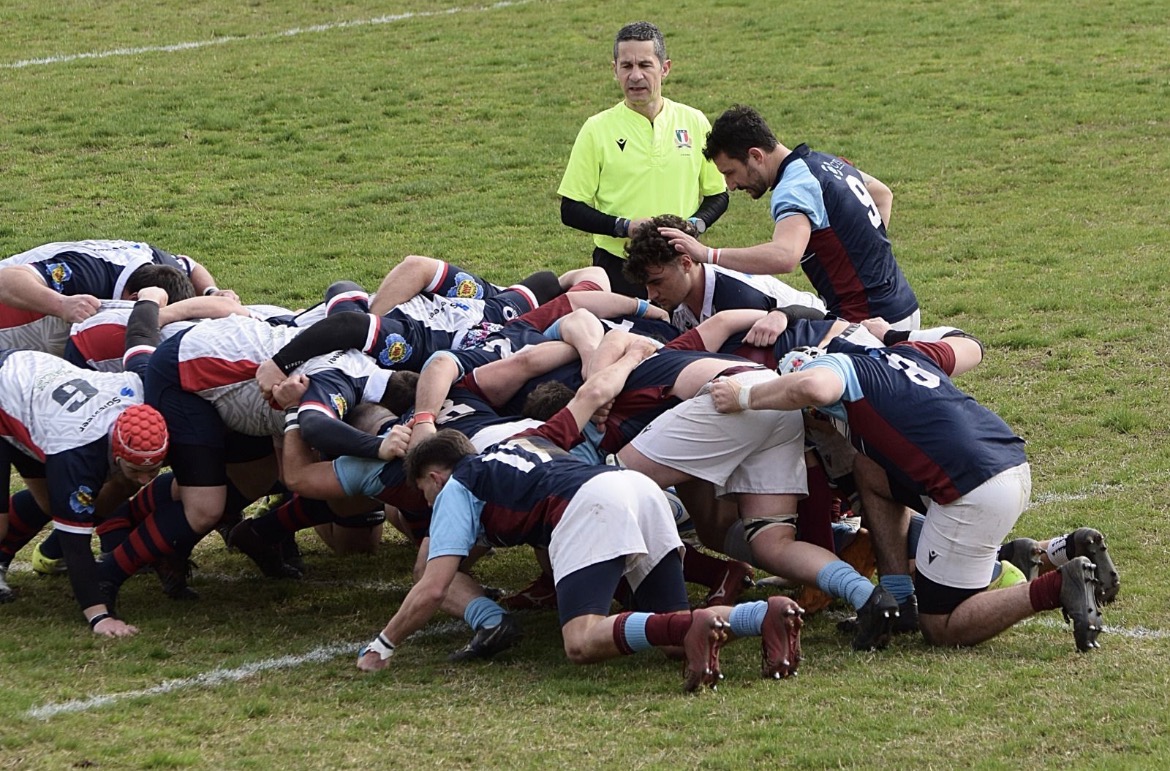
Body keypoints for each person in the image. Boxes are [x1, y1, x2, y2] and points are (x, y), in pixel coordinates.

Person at [708, 340, 1117, 652]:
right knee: (869, 471)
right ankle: (902, 598)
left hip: (973, 490)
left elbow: (813, 385)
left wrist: (743, 397)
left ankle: (1056, 584)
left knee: (941, 627)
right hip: (1004, 463)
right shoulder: (900, 354)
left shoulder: (831, 371)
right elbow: (966, 344)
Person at [0, 288, 171, 633]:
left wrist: (152, 299)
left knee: (52, 504)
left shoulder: (143, 386)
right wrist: (100, 617)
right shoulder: (77, 455)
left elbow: (141, 339)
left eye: (153, 469)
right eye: (137, 470)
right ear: (116, 453)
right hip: (14, 396)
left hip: (34, 397)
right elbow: (75, 545)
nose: (145, 480)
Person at [659, 105, 920, 329]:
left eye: (730, 172)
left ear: (756, 155)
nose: (731, 185)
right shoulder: (825, 163)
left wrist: (708, 254)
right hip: (903, 305)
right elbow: (882, 194)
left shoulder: (794, 188)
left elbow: (785, 256)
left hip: (867, 321)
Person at [557, 21, 728, 298]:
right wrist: (624, 227)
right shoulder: (596, 129)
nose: (635, 76)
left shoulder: (693, 121)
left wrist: (692, 227)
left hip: (679, 266)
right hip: (619, 267)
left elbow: (718, 194)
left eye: (645, 65)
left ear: (665, 68)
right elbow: (571, 209)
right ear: (615, 70)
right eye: (626, 66)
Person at [623, 214, 824, 332]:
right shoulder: (674, 299)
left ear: (685, 263)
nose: (651, 295)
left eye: (657, 282)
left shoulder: (741, 297)